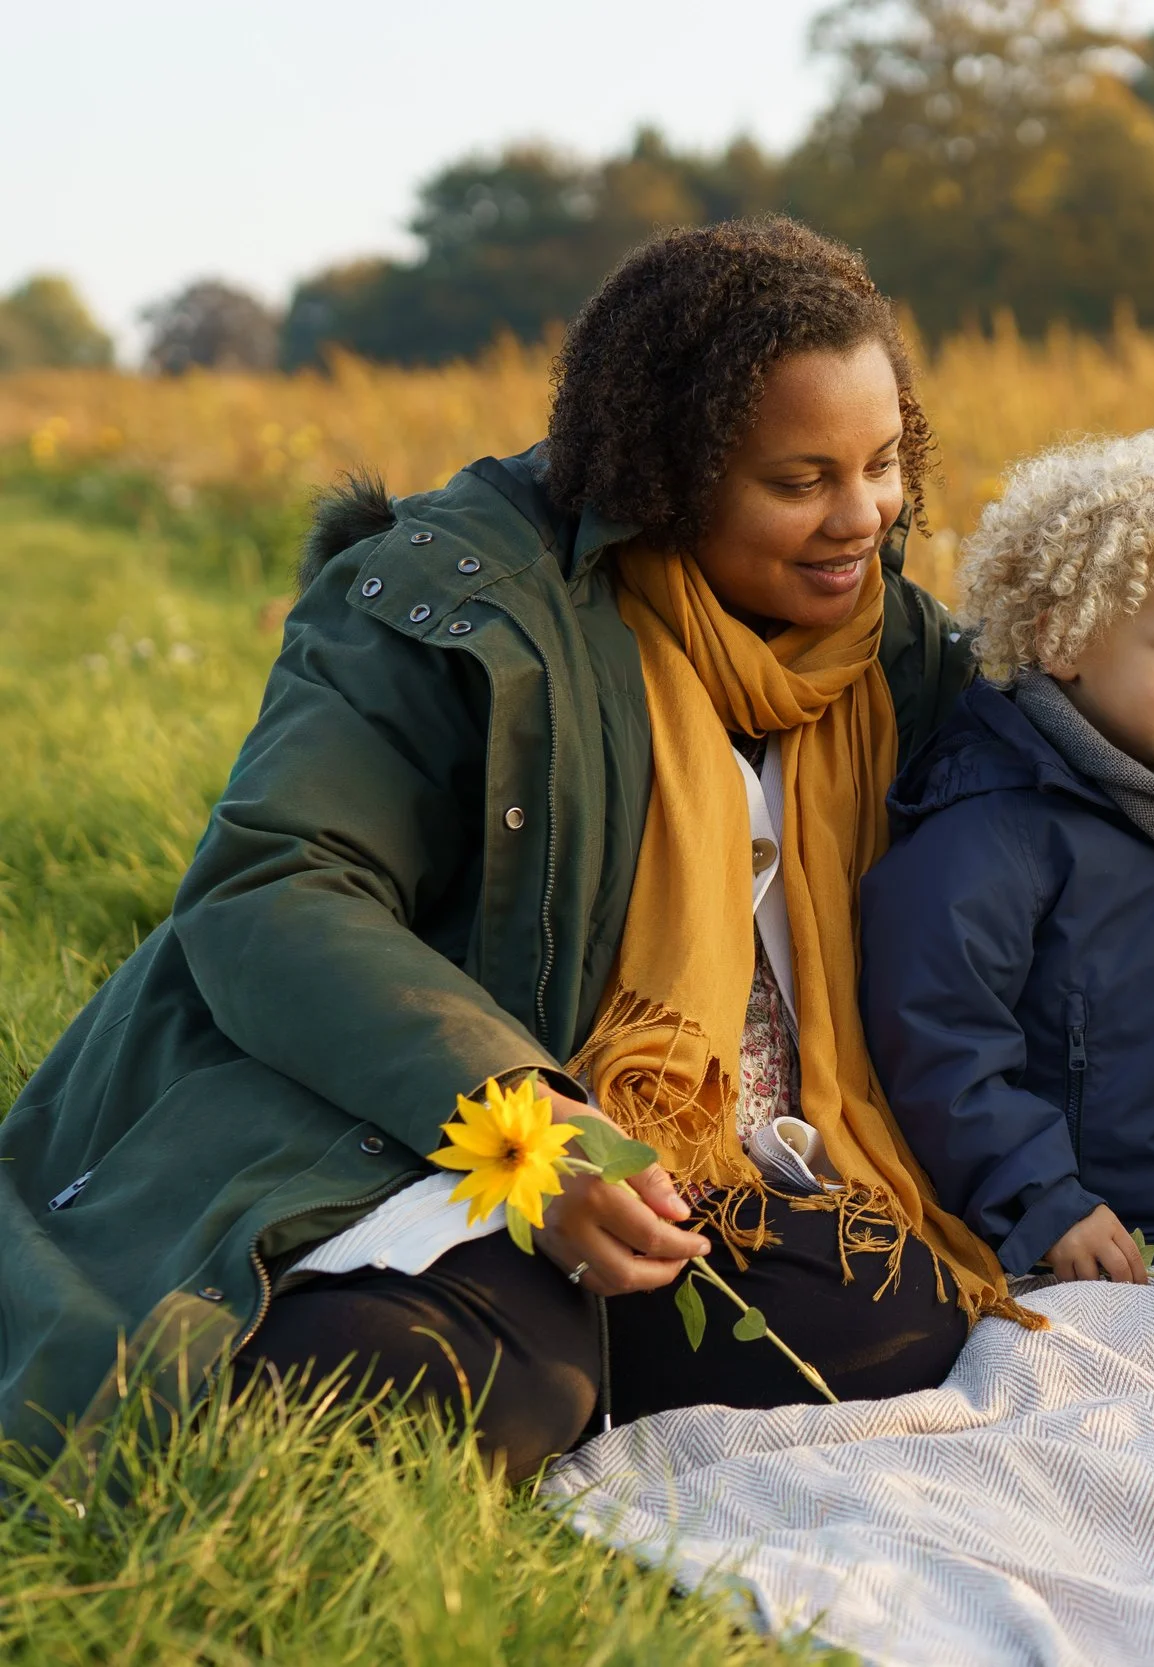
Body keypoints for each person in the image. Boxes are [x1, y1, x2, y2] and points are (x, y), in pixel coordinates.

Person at [0, 218, 1034, 1477]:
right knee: (496, 1380)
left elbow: (1060, 820)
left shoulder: (892, 651)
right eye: (799, 480)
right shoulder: (461, 602)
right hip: (394, 1115)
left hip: (694, 1162)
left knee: (888, 1316)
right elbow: (276, 884)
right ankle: (360, 1346)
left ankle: (544, 1330)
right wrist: (539, 1135)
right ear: (666, 475)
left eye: (881, 463)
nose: (860, 515)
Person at [859, 431, 1154, 1285]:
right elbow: (938, 1039)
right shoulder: (992, 821)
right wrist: (1043, 1198)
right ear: (1062, 640)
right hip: (1092, 1239)